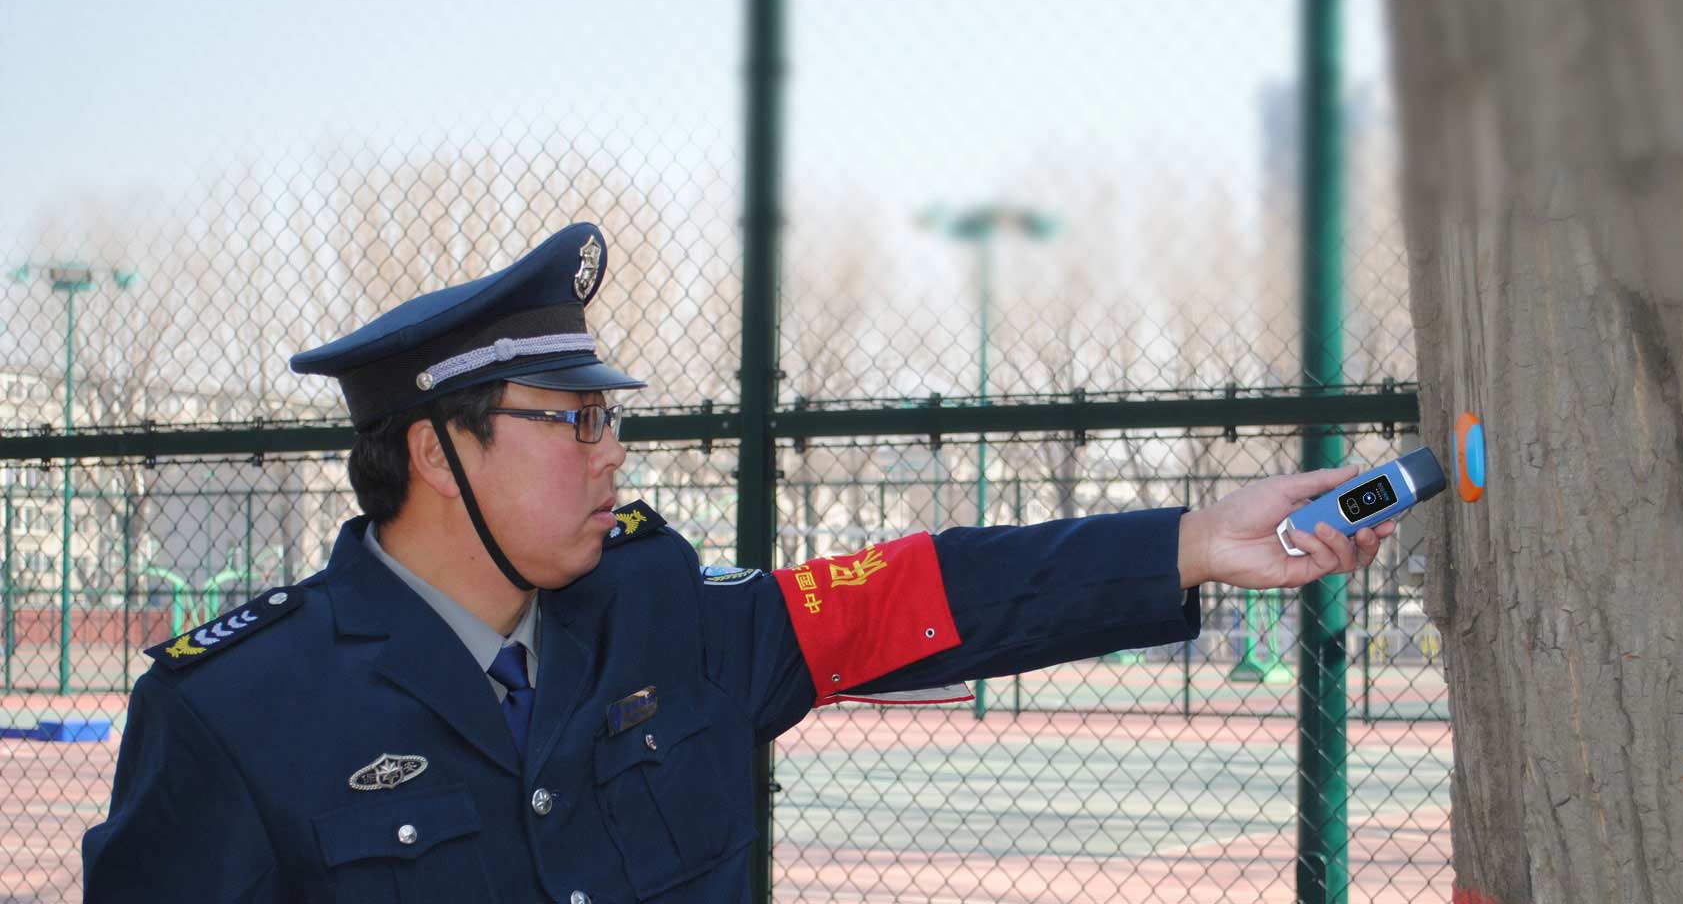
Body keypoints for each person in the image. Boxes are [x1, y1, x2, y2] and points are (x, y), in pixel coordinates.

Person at [80, 223, 1393, 904]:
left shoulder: (667, 624)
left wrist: (1189, 541)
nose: (612, 452)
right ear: (437, 451)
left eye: (612, 420)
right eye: (573, 421)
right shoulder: (236, 713)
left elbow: (930, 594)